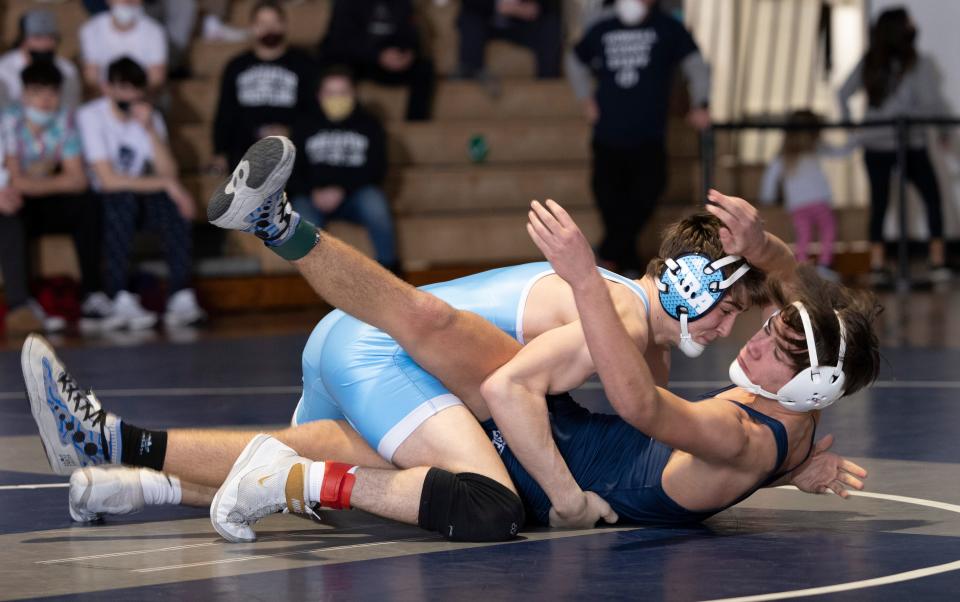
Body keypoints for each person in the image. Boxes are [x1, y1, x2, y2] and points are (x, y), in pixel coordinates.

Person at [24, 140, 873, 541]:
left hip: (365, 346)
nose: (746, 331)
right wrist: (572, 502)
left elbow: (786, 351)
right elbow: (624, 401)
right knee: (486, 500)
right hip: (381, 348)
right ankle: (279, 229)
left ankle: (120, 463)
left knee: (333, 455)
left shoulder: (691, 372)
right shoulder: (612, 320)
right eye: (738, 311)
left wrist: (795, 466)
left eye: (769, 337)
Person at [566, 0, 711, 275]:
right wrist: (586, 99)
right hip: (608, 137)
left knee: (646, 194)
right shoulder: (602, 27)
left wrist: (700, 103)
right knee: (610, 201)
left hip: (649, 137)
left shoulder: (667, 28)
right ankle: (626, 264)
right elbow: (575, 59)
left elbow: (696, 65)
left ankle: (608, 255)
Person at [76, 58, 204, 330]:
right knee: (125, 199)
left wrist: (149, 131)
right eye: (123, 88)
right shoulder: (90, 116)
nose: (130, 96)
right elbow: (108, 180)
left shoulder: (150, 117)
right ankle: (118, 294)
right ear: (106, 87)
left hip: (135, 197)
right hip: (99, 203)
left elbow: (169, 170)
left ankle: (179, 294)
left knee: (172, 202)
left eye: (136, 90)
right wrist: (168, 185)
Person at [838, 7, 951, 286]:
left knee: (882, 202)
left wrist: (850, 124)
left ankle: (879, 264)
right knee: (929, 197)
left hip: (883, 142)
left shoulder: (876, 61)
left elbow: (842, 93)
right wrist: (943, 128)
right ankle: (936, 262)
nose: (914, 25)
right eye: (909, 22)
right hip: (905, 141)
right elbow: (932, 102)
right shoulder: (913, 63)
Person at [0, 61, 107, 336]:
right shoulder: (8, 121)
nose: (46, 100)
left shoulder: (65, 120)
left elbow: (78, 179)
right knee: (10, 210)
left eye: (52, 92)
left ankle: (93, 293)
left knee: (88, 203)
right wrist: (45, 179)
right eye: (37, 92)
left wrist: (32, 180)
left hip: (44, 200)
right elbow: (14, 181)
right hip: (19, 202)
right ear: (24, 94)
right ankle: (21, 304)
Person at [290, 65, 398, 273]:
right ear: (320, 95)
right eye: (331, 93)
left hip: (355, 195)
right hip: (313, 196)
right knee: (301, 220)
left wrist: (342, 189)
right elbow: (292, 171)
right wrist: (314, 192)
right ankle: (319, 279)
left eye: (343, 93)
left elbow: (377, 168)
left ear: (354, 94)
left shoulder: (369, 124)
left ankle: (390, 273)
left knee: (376, 203)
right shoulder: (303, 125)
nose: (337, 98)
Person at [210, 0, 316, 173]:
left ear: (284, 25)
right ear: (253, 27)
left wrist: (292, 131)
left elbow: (312, 110)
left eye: (274, 22)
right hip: (245, 147)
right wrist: (219, 152)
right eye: (263, 23)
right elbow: (225, 112)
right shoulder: (237, 65)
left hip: (291, 145)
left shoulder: (304, 64)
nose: (269, 28)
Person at [759, 110, 852, 282]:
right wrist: (856, 139)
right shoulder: (808, 150)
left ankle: (806, 268)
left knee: (806, 236)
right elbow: (841, 151)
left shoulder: (789, 155)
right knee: (824, 231)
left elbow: (770, 177)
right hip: (816, 202)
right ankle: (820, 266)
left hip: (801, 204)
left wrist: (767, 197)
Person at [320, 0, 435, 122]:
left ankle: (416, 123)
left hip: (390, 63)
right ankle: (338, 121)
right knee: (335, 67)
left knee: (424, 69)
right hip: (357, 60)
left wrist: (407, 53)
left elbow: (410, 34)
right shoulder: (346, 3)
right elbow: (339, 41)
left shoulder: (402, 3)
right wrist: (377, 55)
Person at [456, 0, 563, 80]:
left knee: (551, 24)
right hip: (485, 20)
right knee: (470, 21)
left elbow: (552, 4)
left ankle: (547, 85)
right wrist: (498, 6)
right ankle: (469, 76)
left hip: (523, 23)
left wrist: (534, 7)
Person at [79, 0, 168, 95]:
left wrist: (134, 97)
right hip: (105, 97)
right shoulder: (91, 29)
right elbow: (91, 77)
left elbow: (156, 79)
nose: (126, 2)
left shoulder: (155, 31)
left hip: (143, 97)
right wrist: (115, 98)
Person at [0, 10, 82, 110]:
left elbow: (70, 108)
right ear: (22, 40)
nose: (44, 44)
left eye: (51, 38)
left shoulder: (67, 69)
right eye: (37, 37)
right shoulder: (3, 69)